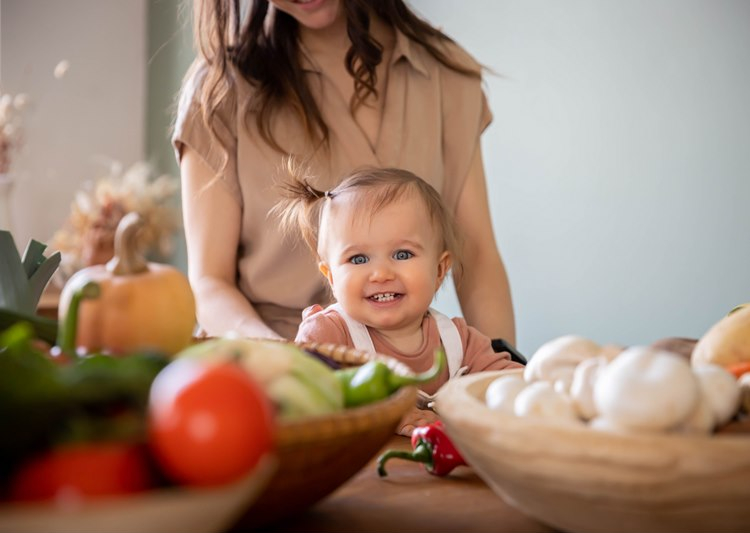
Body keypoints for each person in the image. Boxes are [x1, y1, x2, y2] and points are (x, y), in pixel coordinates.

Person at [173, 0, 516, 344]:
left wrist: (500, 379)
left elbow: (476, 255)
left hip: (414, 380)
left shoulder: (446, 74)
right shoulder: (218, 94)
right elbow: (209, 282)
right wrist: (286, 363)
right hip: (270, 369)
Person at [275, 166, 521, 432]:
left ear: (439, 270)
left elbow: (510, 383)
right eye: (358, 259)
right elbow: (302, 402)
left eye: (402, 254)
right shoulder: (327, 336)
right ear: (331, 277)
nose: (381, 274)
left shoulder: (458, 341)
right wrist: (385, 412)